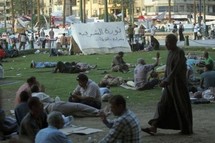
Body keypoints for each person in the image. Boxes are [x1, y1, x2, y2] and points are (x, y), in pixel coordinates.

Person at [142, 34, 193, 135]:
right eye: (165, 42)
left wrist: (167, 80)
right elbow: (168, 69)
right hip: (169, 85)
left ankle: (186, 128)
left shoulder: (179, 52)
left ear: (174, 42)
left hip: (178, 85)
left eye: (168, 43)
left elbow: (176, 69)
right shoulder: (170, 53)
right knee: (162, 104)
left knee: (181, 105)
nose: (166, 45)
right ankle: (154, 126)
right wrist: (164, 80)